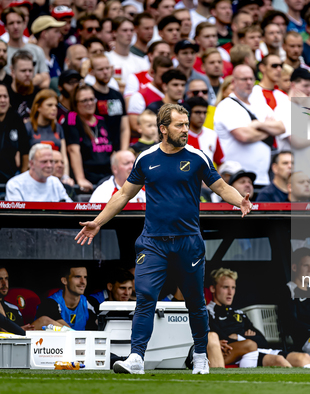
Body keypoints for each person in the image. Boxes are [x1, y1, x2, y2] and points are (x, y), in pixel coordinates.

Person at [75, 103, 253, 375]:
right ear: (163, 129)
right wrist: (97, 223)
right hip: (153, 242)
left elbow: (220, 187)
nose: (186, 130)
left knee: (194, 301)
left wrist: (239, 200)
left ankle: (201, 357)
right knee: (145, 296)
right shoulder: (145, 158)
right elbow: (123, 195)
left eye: (186, 124)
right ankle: (136, 357)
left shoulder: (197, 157)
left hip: (188, 241)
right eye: (180, 125)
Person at [207, 267, 310, 368]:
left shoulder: (238, 313)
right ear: (212, 288)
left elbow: (262, 341)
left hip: (260, 349)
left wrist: (238, 337)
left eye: (233, 288)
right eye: (225, 287)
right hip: (238, 354)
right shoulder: (207, 313)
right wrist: (245, 339)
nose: (230, 292)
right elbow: (223, 341)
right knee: (279, 361)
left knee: (304, 358)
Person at [214, 65, 285, 186]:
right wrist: (268, 129)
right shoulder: (226, 106)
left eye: (251, 79)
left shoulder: (260, 104)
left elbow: (281, 128)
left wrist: (257, 125)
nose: (249, 83)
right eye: (244, 79)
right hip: (236, 180)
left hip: (262, 178)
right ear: (233, 81)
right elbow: (244, 135)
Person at [65, 84, 113, 191]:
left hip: (107, 177)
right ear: (76, 103)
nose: (90, 103)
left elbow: (112, 151)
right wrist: (80, 179)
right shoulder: (73, 118)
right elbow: (73, 150)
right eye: (84, 100)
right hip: (89, 179)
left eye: (92, 99)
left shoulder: (101, 120)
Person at [33, 265, 100, 330]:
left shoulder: (90, 303)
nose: (83, 282)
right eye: (77, 277)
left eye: (85, 277)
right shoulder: (50, 304)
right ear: (64, 281)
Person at [89, 55, 130, 151]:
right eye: (100, 69)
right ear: (91, 71)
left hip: (118, 149)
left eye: (107, 68)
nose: (105, 72)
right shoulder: (89, 96)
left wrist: (123, 151)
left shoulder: (117, 95)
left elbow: (124, 128)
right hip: (98, 150)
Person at [2, 7, 50, 89]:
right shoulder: (3, 52)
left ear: (24, 24)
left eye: (19, 22)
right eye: (11, 23)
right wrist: (37, 78)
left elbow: (46, 81)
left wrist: (20, 81)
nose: (16, 26)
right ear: (5, 27)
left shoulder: (37, 50)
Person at [6, 143, 72, 202]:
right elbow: (16, 214)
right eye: (44, 161)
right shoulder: (15, 184)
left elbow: (70, 208)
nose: (49, 165)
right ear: (31, 163)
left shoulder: (55, 182)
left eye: (51, 161)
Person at [25, 89, 69, 174]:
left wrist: (66, 176)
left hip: (56, 174)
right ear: (38, 107)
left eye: (56, 106)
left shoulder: (58, 128)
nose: (54, 109)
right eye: (49, 105)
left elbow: (64, 156)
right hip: (35, 173)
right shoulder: (27, 127)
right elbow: (24, 158)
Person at [127, 56, 174, 133]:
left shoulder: (175, 94)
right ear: (152, 73)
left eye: (170, 75)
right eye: (163, 76)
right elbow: (135, 126)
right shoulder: (140, 96)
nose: (167, 79)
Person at [185, 96, 224, 167]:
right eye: (198, 112)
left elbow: (220, 162)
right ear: (188, 113)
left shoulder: (212, 135)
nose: (202, 116)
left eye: (204, 112)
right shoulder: (179, 136)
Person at [31, 16, 65, 86]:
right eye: (56, 31)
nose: (59, 35)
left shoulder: (54, 58)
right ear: (44, 34)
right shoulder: (31, 59)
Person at [7, 50, 40, 121]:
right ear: (13, 72)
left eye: (30, 71)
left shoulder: (39, 95)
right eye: (23, 71)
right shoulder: (5, 95)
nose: (28, 74)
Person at [0, 265, 33, 333]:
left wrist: (19, 330)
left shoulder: (14, 309)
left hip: (16, 341)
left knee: (44, 320)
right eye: (0, 279)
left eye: (6, 279)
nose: (4, 283)